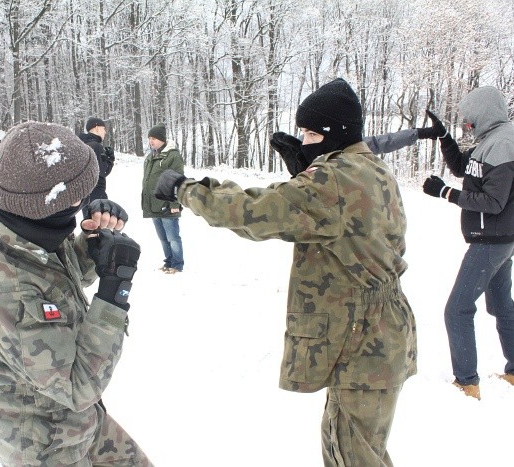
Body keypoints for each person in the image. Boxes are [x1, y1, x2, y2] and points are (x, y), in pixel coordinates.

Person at [155, 78, 417, 466]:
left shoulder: (335, 178)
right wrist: (307, 173)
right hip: (372, 331)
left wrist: (187, 189)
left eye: (312, 133)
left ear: (336, 134)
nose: (305, 140)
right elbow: (334, 219)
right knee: (345, 443)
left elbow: (253, 212)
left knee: (356, 454)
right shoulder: (370, 168)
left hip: (363, 335)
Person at [0, 121, 153, 466]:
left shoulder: (8, 217)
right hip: (42, 442)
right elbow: (78, 385)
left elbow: (47, 273)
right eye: (80, 196)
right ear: (48, 207)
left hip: (72, 419)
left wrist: (91, 247)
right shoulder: (4, 292)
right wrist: (114, 294)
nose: (85, 200)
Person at [421, 86, 514, 400]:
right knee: (502, 305)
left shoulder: (502, 143)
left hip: (491, 241)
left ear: (483, 114)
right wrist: (444, 136)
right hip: (500, 239)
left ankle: (466, 383)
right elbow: (463, 167)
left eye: (468, 119)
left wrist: (446, 193)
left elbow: (493, 202)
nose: (466, 124)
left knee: (456, 310)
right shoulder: (491, 140)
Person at [270, 110, 447, 177]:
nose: (309, 139)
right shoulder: (301, 146)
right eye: (305, 132)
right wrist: (298, 177)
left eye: (313, 133)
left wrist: (420, 133)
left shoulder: (347, 146)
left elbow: (381, 142)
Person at [142, 124, 185, 273]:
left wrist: (174, 202)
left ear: (161, 139)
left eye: (154, 138)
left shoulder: (172, 156)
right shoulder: (150, 156)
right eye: (149, 138)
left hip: (167, 204)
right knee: (163, 238)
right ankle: (168, 262)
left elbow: (178, 180)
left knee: (173, 237)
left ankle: (177, 265)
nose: (151, 141)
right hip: (154, 204)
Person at [78, 117, 115, 217]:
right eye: (104, 129)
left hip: (84, 194)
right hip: (97, 193)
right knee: (99, 226)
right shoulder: (96, 146)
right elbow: (103, 171)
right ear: (97, 128)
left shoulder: (81, 145)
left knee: (89, 224)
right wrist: (110, 158)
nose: (105, 132)